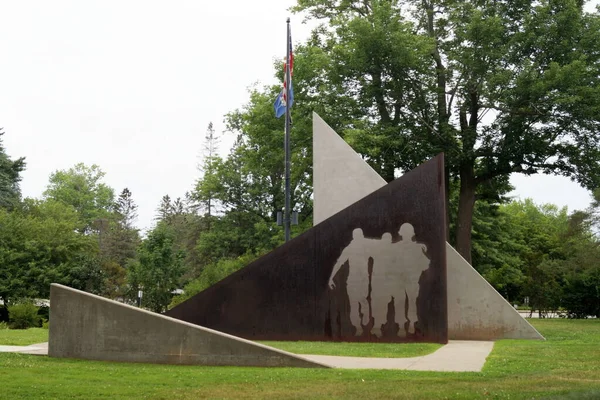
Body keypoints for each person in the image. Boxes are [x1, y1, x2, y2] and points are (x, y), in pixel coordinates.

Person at [328, 228, 374, 336]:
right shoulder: (349, 249)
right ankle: (358, 327)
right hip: (353, 279)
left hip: (363, 279)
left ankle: (365, 316)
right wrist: (331, 277)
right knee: (353, 304)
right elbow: (339, 263)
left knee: (362, 300)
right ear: (355, 237)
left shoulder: (366, 247)